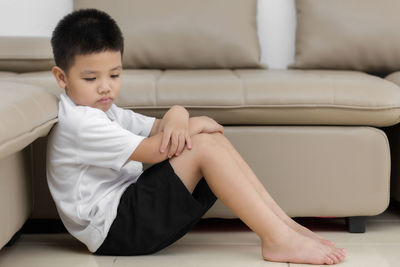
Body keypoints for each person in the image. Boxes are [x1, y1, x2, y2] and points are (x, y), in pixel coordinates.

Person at [46, 8, 346, 265]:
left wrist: (179, 112)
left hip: (127, 214)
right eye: (91, 78)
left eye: (114, 75)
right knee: (202, 145)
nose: (105, 88)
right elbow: (154, 150)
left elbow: (160, 126)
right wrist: (190, 122)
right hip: (115, 230)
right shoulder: (80, 123)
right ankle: (277, 239)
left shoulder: (106, 111)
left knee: (209, 140)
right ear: (62, 77)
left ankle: (284, 226)